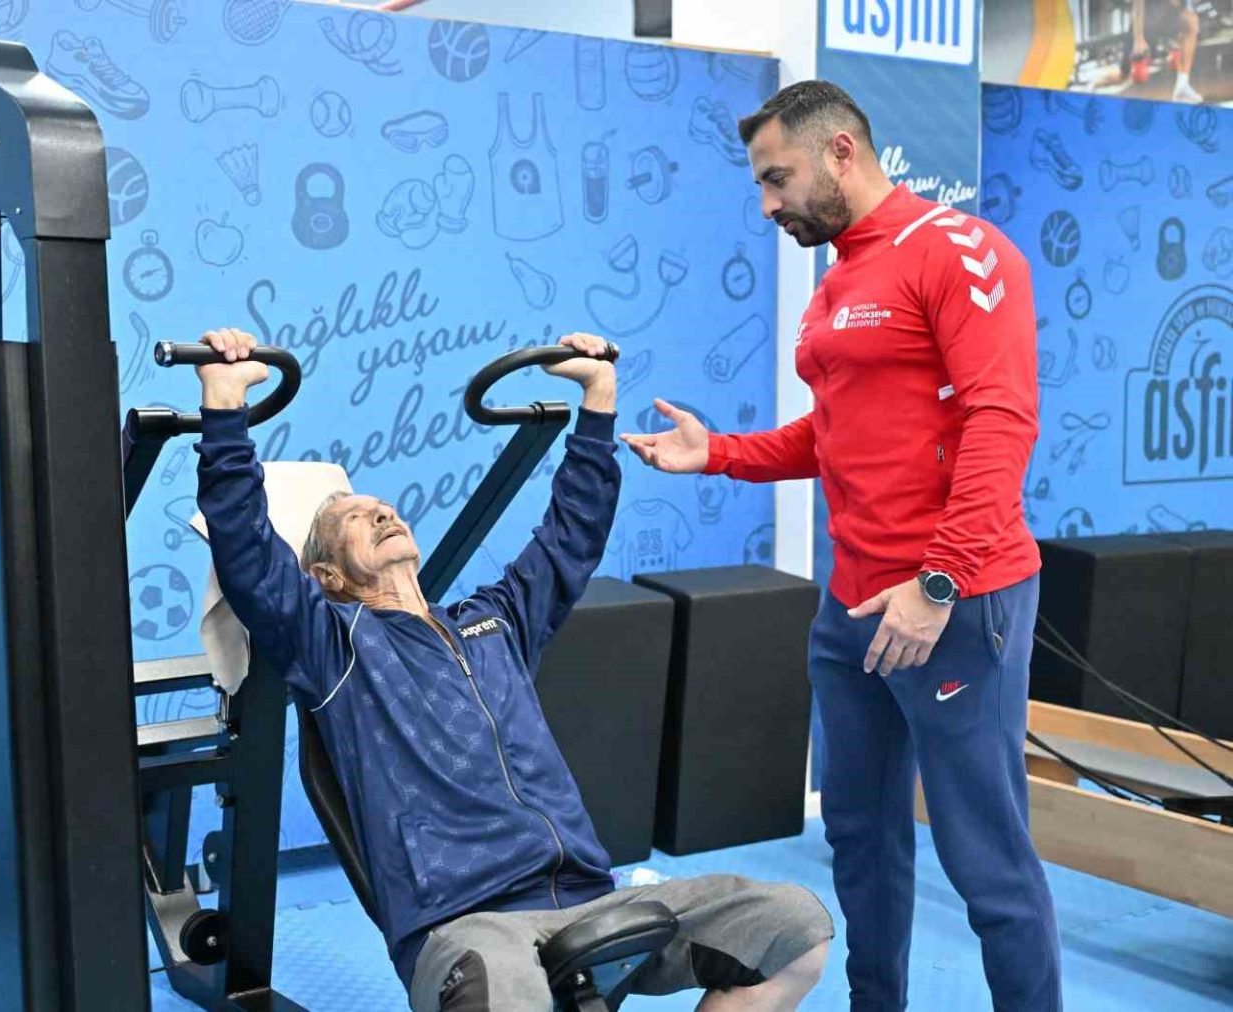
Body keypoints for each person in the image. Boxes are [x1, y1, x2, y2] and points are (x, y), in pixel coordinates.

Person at [193, 327, 833, 1011]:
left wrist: (598, 398)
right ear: (326, 575)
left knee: (796, 929)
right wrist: (224, 407)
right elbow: (250, 555)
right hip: (466, 921)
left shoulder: (494, 622)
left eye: (384, 507)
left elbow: (571, 536)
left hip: (588, 894)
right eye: (356, 518)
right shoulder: (335, 647)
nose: (381, 512)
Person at [624, 81, 1062, 1011]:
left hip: (955, 603)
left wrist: (938, 585)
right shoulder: (838, 283)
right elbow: (835, 434)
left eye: (776, 178)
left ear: (840, 152)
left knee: (987, 860)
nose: (767, 204)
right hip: (853, 610)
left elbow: (1001, 420)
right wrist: (719, 454)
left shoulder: (959, 249)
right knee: (860, 840)